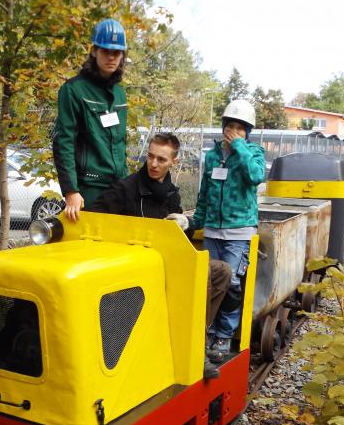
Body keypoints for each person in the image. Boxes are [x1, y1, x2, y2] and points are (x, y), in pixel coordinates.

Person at [91, 132, 232, 379]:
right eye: (151, 157)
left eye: (161, 160)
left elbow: (179, 240)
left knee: (222, 271)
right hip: (135, 266)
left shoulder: (171, 193)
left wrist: (185, 223)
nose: (154, 164)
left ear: (173, 162)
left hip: (165, 259)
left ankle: (195, 334)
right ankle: (195, 350)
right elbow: (94, 220)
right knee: (204, 272)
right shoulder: (125, 189)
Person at [193, 99, 266, 362]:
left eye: (240, 127)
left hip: (239, 232)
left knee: (233, 283)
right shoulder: (212, 155)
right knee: (210, 283)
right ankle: (207, 330)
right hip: (213, 230)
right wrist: (196, 221)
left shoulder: (253, 153)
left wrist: (239, 147)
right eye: (230, 126)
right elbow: (205, 191)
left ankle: (225, 333)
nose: (233, 131)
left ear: (247, 131)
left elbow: (256, 176)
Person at [52, 18, 129, 222]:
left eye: (116, 52)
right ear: (94, 51)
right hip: (88, 191)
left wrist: (129, 185)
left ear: (122, 55)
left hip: (118, 188)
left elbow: (121, 144)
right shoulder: (74, 90)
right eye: (106, 51)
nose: (111, 57)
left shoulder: (120, 95)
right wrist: (70, 191)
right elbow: (64, 142)